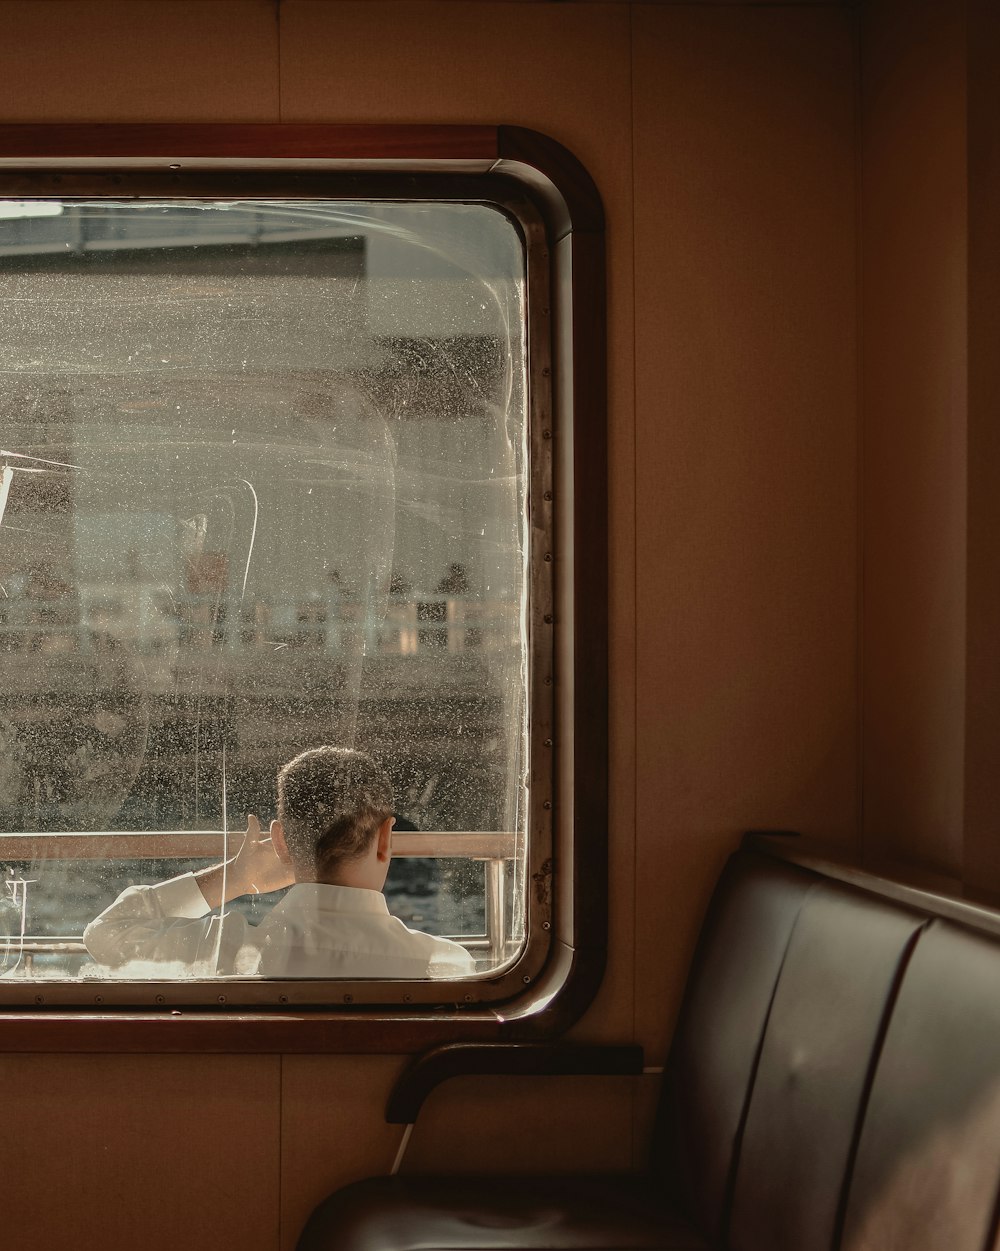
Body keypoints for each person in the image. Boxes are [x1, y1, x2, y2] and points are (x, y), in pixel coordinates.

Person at [83, 746, 476, 979]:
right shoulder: (443, 965)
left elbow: (107, 932)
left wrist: (234, 878)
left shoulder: (231, 953)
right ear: (386, 839)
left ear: (280, 841)